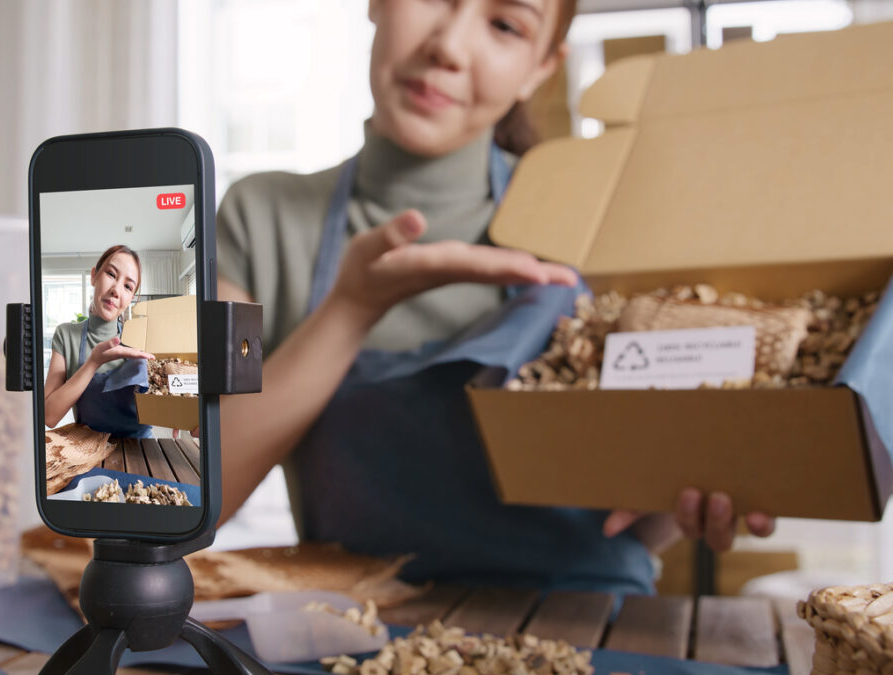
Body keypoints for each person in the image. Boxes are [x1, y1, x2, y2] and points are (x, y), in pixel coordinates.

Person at [215, 0, 775, 593]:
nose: (449, 48)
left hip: (589, 630)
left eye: (505, 25)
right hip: (348, 632)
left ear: (541, 67)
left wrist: (701, 486)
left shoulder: (605, 223)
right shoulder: (256, 219)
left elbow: (638, 512)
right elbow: (184, 494)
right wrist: (349, 312)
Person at [44, 244, 155, 438]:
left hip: (141, 452)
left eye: (128, 286)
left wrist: (189, 419)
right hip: (88, 452)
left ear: (132, 299)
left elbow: (170, 397)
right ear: (94, 275)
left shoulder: (142, 338)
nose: (116, 291)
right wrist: (93, 362)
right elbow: (49, 415)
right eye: (111, 274)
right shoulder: (66, 335)